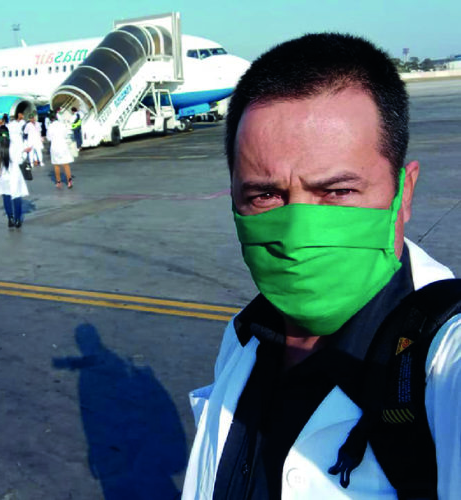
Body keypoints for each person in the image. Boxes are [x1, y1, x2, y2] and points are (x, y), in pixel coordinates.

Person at [182, 33, 460, 499]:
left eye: (337, 192)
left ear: (403, 193)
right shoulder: (246, 335)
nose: (298, 235)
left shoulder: (442, 360)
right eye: (265, 195)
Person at [0, 125, 29, 228]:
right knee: (16, 196)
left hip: (3, 176)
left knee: (6, 196)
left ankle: (10, 218)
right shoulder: (14, 145)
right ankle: (18, 219)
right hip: (15, 174)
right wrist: (25, 153)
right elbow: (20, 159)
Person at [46, 111, 74, 189]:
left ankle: (58, 182)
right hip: (63, 145)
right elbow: (65, 134)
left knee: (56, 165)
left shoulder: (50, 127)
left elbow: (48, 138)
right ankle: (69, 181)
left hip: (55, 146)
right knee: (66, 164)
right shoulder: (62, 125)